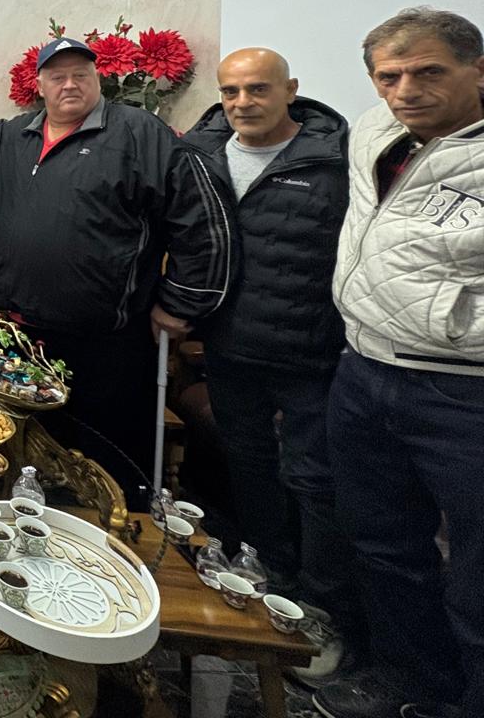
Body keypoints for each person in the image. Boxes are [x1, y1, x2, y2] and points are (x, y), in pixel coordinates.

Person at [315, 7, 484, 718]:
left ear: (478, 71)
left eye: (428, 71)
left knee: (476, 570)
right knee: (382, 543)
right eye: (389, 76)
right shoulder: (374, 133)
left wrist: (456, 329)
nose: (406, 90)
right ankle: (413, 683)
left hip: (462, 391)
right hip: (364, 368)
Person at [178, 48, 359, 681]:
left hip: (310, 347)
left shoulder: (336, 160)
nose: (242, 103)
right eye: (230, 91)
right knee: (248, 462)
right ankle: (268, 574)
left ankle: (320, 608)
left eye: (257, 89)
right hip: (229, 343)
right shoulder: (201, 153)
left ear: (291, 90)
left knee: (315, 479)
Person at [0, 36, 232, 487]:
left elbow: (200, 222)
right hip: (24, 332)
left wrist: (179, 304)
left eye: (81, 75)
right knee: (36, 451)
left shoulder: (138, 133)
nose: (70, 85)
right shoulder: (13, 136)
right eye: (58, 77)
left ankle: (121, 522)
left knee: (108, 457)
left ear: (98, 78)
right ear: (39, 85)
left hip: (107, 339)